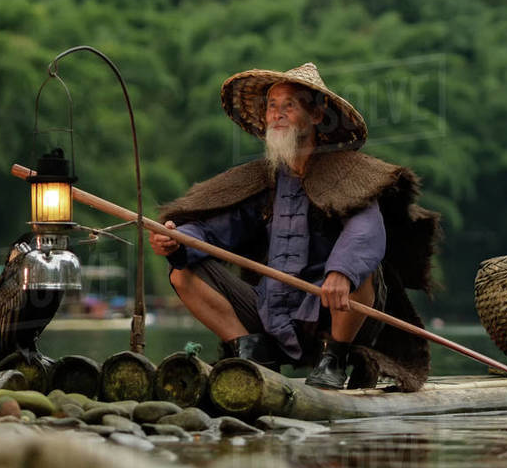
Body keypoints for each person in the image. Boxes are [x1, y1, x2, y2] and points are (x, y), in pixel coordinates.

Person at [149, 63, 440, 391]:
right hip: (269, 309)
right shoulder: (264, 180)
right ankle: (251, 351)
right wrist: (177, 240)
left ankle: (334, 359)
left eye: (289, 105)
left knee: (362, 272)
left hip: (330, 311)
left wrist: (341, 273)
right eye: (272, 106)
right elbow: (214, 231)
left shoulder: (349, 175)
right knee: (183, 272)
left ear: (316, 116)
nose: (278, 114)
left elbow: (366, 231)